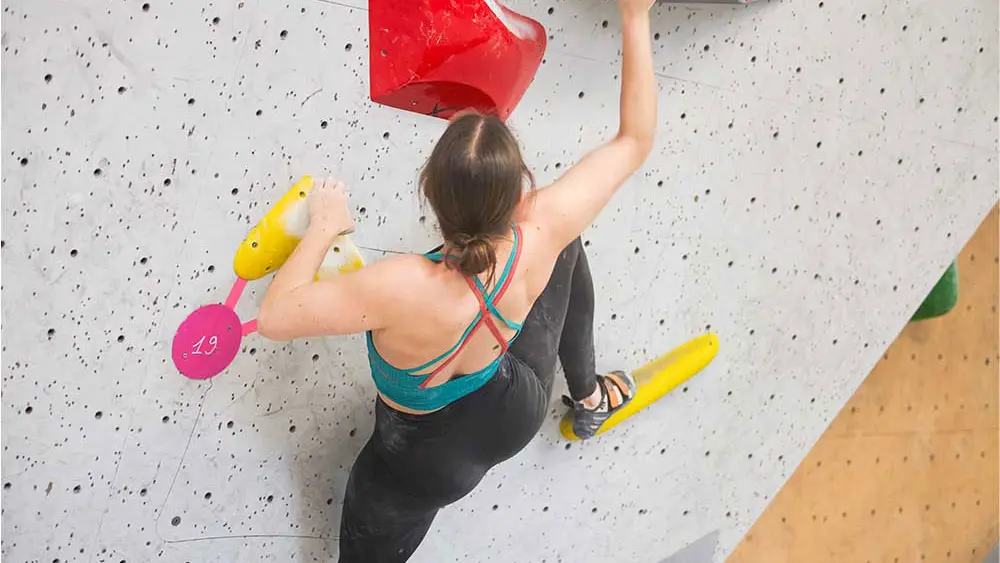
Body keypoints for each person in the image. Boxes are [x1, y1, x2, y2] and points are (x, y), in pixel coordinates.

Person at [257, 0, 656, 560]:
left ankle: (585, 392)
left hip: (423, 462)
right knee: (567, 241)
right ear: (520, 193)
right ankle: (587, 395)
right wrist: (635, 17)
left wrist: (322, 226)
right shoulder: (540, 228)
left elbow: (276, 317)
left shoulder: (399, 286)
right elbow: (634, 140)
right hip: (513, 408)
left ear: (431, 195)